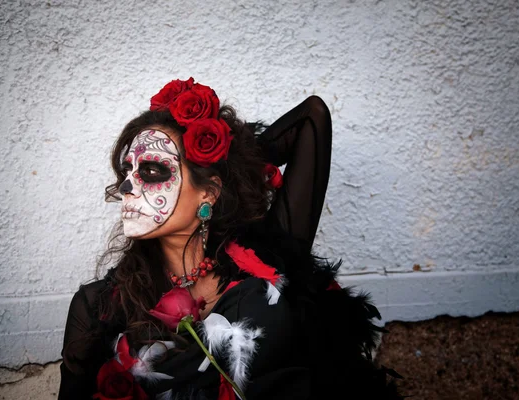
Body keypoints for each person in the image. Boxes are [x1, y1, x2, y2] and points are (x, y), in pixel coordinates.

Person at [58, 77, 403, 400]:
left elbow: (311, 118)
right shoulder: (97, 308)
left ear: (208, 193)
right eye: (127, 171)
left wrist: (233, 163)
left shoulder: (265, 262)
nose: (126, 187)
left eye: (151, 170)